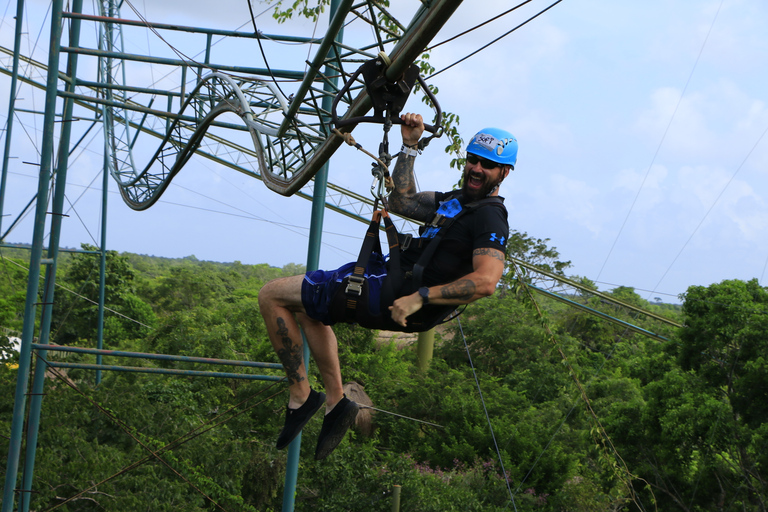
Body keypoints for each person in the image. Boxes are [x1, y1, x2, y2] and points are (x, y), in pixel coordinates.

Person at [257, 113, 517, 460]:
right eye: (473, 160)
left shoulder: (490, 216)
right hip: (390, 281)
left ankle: (301, 397)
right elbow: (401, 202)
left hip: (394, 292)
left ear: (505, 173)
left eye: (488, 164)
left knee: (271, 295)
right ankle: (335, 402)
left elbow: (486, 281)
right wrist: (409, 146)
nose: (476, 168)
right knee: (306, 310)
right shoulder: (455, 202)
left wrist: (420, 297)